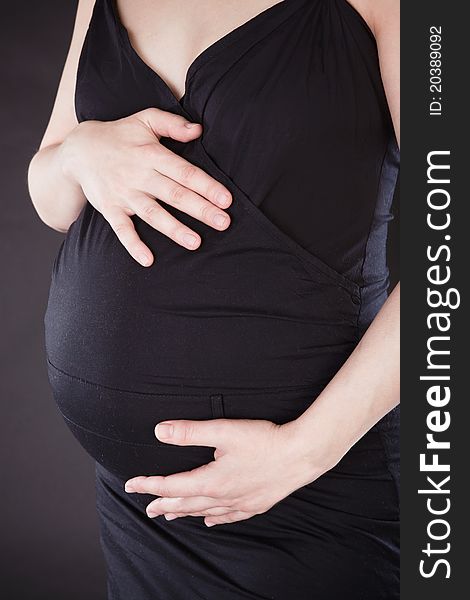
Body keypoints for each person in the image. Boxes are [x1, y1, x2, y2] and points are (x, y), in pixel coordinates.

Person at [28, 0, 400, 598]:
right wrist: (79, 153)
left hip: (315, 491)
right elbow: (51, 197)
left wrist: (305, 453)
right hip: (144, 511)